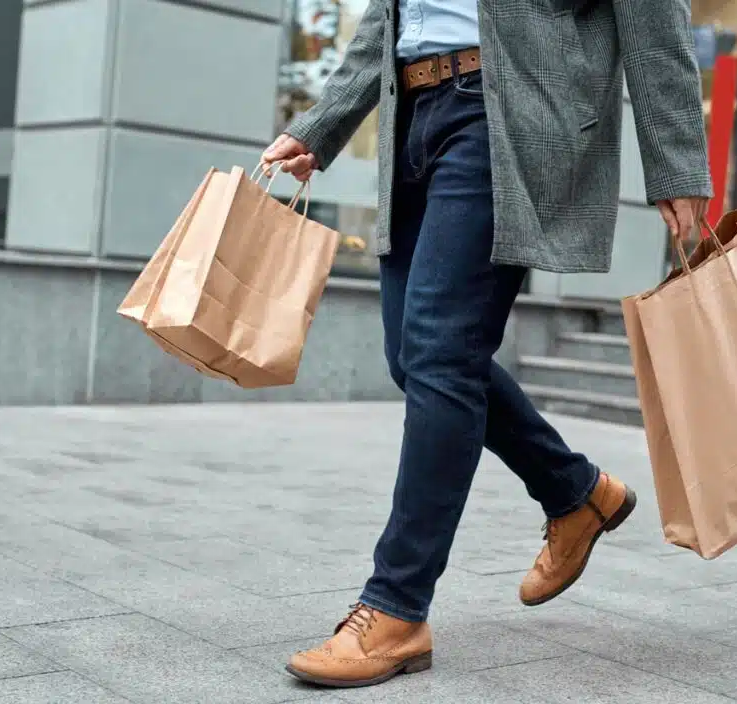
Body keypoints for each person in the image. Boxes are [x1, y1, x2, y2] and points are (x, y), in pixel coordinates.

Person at [261, 0, 711, 689]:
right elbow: (389, 18)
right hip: (412, 111)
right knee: (415, 358)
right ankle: (576, 492)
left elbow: (653, 13)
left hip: (505, 112)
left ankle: (396, 606)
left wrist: (675, 161)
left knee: (440, 354)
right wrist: (323, 127)